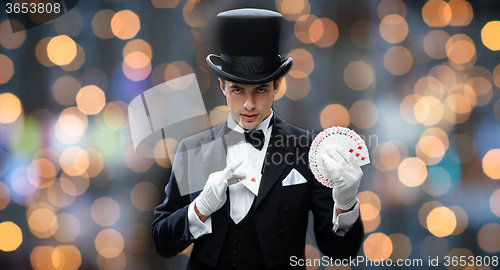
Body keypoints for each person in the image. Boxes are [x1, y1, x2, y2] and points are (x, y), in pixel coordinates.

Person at [151, 8, 364, 270]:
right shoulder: (192, 150)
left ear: (276, 86)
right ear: (222, 86)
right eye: (237, 90)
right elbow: (161, 242)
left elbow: (340, 251)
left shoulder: (307, 149)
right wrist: (199, 208)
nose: (249, 104)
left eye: (260, 89)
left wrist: (346, 204)